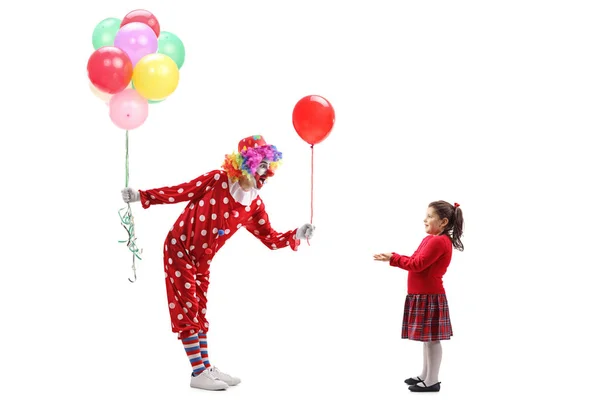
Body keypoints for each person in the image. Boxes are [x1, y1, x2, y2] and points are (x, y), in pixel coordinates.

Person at [121, 135, 315, 391]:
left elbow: (270, 238)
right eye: (261, 165)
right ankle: (198, 372)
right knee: (188, 307)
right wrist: (141, 196)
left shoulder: (253, 205)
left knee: (199, 309)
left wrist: (297, 233)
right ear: (246, 163)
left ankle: (205, 367)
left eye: (269, 166)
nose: (266, 172)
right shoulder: (217, 180)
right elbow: (181, 191)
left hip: (203, 260)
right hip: (180, 247)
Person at [373, 200, 464, 393]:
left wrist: (393, 258)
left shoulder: (440, 241)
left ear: (444, 222)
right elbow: (415, 259)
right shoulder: (430, 239)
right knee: (427, 339)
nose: (425, 219)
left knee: (432, 340)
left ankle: (432, 381)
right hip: (421, 296)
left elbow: (417, 265)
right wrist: (394, 256)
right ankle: (425, 375)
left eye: (430, 216)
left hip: (429, 296)